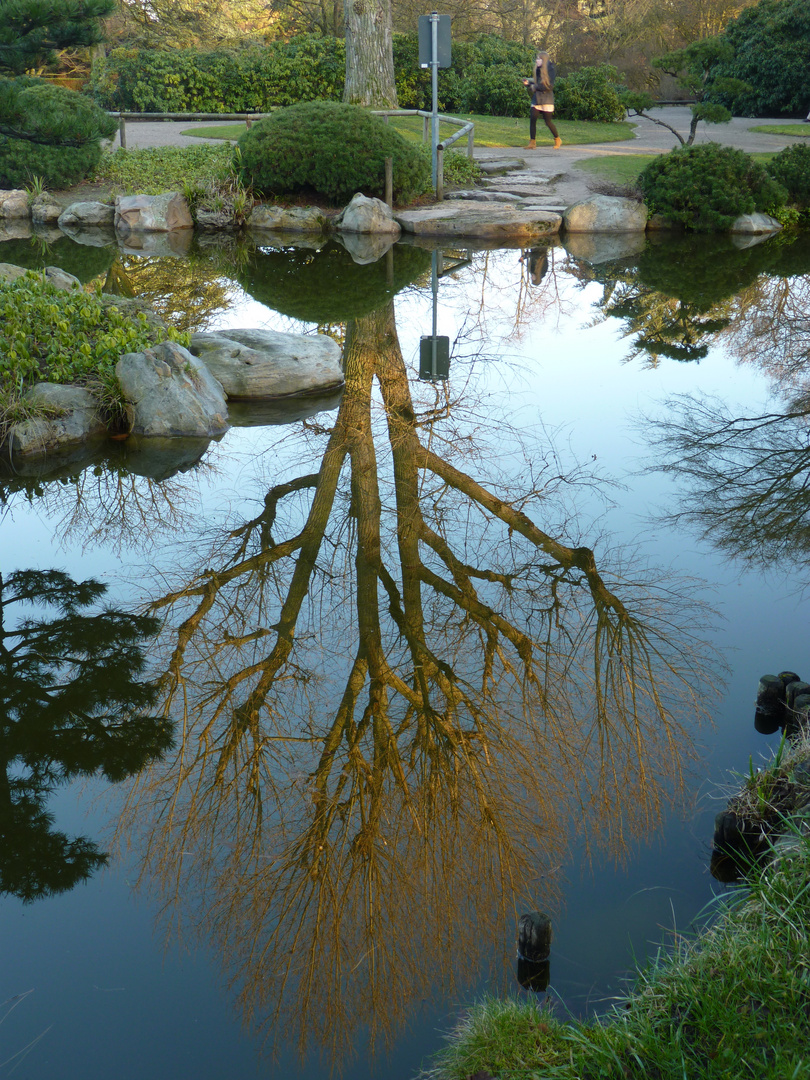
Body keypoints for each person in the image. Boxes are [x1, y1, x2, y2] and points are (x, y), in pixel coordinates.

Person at [522, 50, 561, 150]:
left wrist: (535, 87)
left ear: (543, 60)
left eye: (538, 59)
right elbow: (537, 85)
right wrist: (529, 84)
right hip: (537, 98)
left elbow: (549, 87)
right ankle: (532, 142)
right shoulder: (537, 70)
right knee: (533, 119)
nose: (536, 61)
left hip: (547, 99)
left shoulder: (550, 70)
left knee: (548, 121)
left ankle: (557, 139)